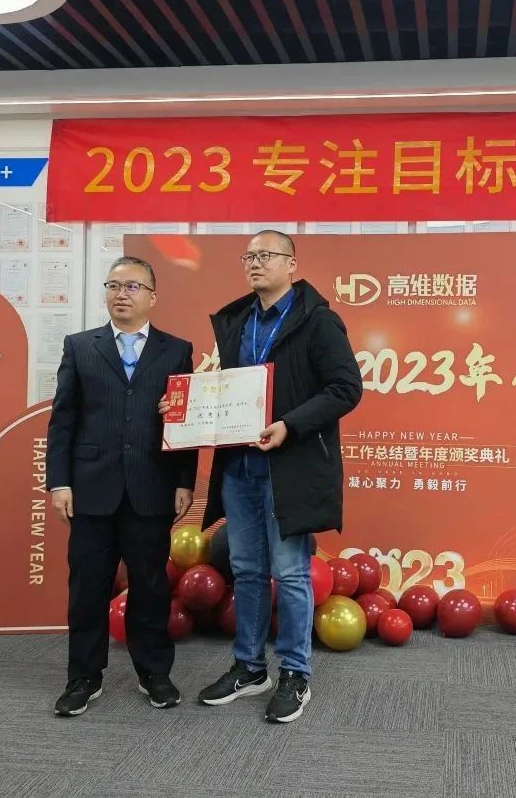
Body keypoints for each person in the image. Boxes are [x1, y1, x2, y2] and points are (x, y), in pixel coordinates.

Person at [163, 230, 362, 723]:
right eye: (248, 256)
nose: (255, 262)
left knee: (291, 574)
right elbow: (228, 393)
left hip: (290, 469)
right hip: (239, 468)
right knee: (248, 571)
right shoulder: (237, 321)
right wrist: (182, 410)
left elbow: (345, 387)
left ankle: (295, 672)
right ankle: (250, 667)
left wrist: (290, 425)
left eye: (266, 255)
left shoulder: (318, 321)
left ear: (291, 264)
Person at [47, 256, 198, 717]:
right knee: (87, 588)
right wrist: (59, 482)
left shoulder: (177, 350)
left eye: (133, 286)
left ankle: (154, 673)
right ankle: (83, 677)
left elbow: (184, 420)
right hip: (91, 488)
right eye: (114, 285)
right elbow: (63, 420)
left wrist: (184, 481)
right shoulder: (80, 346)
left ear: (152, 296)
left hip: (151, 486)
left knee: (150, 587)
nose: (121, 294)